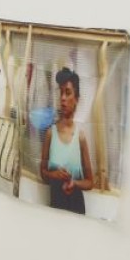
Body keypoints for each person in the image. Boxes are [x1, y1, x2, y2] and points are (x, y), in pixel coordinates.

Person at [40, 66, 94, 214]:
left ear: (76, 99)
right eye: (61, 92)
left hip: (77, 211)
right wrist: (53, 175)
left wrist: (74, 183)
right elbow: (43, 173)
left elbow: (90, 182)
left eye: (68, 93)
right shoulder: (50, 134)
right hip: (55, 210)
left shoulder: (80, 138)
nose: (63, 98)